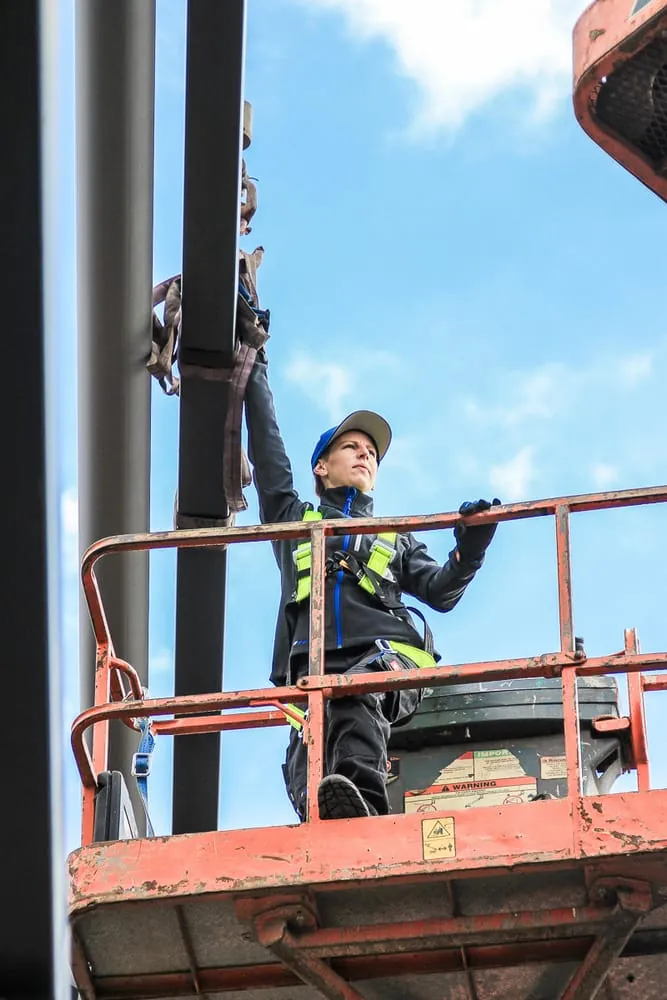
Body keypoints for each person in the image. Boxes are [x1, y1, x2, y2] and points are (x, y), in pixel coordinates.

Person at [244, 346, 499, 822]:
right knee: (309, 744)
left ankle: (363, 809)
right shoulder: (294, 520)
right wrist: (253, 363)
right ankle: (323, 816)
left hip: (388, 658)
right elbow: (266, 447)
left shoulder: (392, 536)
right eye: (351, 447)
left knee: (354, 693)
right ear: (321, 467)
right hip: (311, 668)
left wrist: (471, 549)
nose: (365, 455)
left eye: (371, 453)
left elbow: (441, 591)